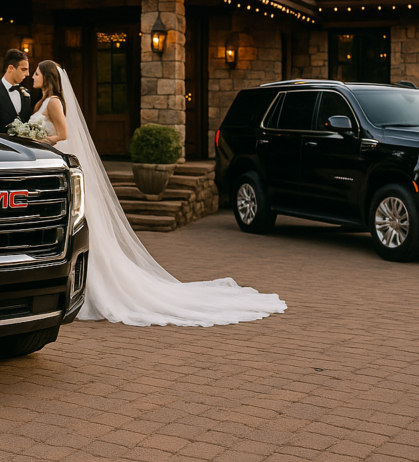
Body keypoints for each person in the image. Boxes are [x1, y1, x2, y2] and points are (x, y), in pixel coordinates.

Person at [37, 61, 286, 327]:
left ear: (48, 77)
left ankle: (89, 287)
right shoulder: (43, 101)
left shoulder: (53, 102)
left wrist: (38, 140)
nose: (33, 76)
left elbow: (63, 134)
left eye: (37, 73)